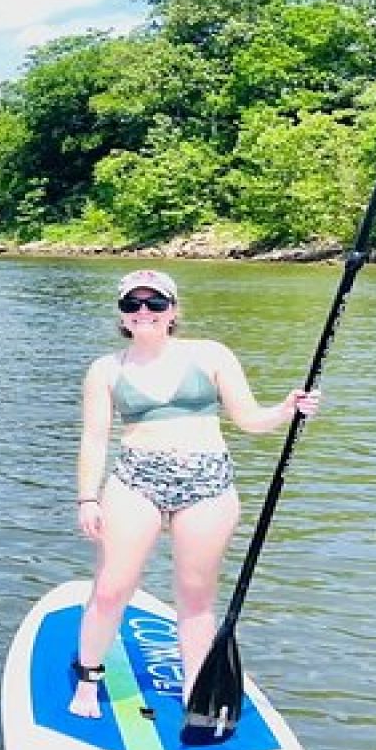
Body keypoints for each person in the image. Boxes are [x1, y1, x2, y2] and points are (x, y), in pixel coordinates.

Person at [69, 270, 321, 719]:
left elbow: (248, 419)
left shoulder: (210, 355)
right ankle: (88, 677)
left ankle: (195, 691)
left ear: (173, 311)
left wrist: (285, 411)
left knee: (195, 595)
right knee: (111, 588)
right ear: (121, 315)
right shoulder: (106, 369)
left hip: (208, 484)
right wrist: (87, 497)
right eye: (133, 304)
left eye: (155, 303)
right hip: (135, 481)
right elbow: (94, 439)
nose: (144, 312)